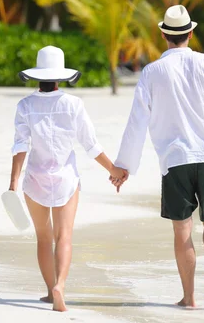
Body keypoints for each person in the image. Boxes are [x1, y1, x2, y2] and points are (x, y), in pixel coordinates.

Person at [113, 5, 204, 307]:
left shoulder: (152, 72)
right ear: (191, 33)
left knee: (182, 231)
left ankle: (189, 298)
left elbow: (137, 121)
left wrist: (124, 166)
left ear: (164, 35)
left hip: (174, 161)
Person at [9, 45, 127, 312]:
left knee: (43, 238)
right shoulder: (73, 104)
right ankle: (60, 285)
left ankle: (50, 292)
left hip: (35, 179)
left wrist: (13, 183)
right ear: (61, 76)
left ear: (38, 75)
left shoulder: (25, 105)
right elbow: (91, 146)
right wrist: (114, 171)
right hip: (65, 179)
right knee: (64, 237)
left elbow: (20, 146)